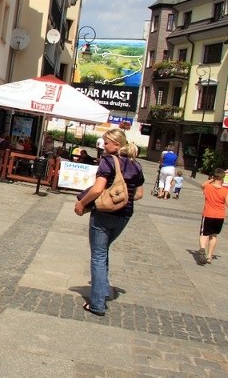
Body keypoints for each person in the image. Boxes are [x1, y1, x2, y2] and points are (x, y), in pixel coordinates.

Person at [73, 129, 145, 316]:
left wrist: (82, 203)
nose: (103, 146)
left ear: (117, 145)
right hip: (125, 216)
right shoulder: (136, 165)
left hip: (104, 215)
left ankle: (97, 303)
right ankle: (103, 289)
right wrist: (121, 200)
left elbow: (97, 190)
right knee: (103, 251)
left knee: (97, 255)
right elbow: (138, 194)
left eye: (106, 143)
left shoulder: (107, 162)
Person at [197, 168, 228, 265]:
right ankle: (209, 256)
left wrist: (212, 179)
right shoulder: (225, 191)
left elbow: (202, 185)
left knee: (204, 234)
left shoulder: (208, 187)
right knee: (213, 235)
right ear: (223, 178)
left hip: (208, 214)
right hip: (219, 216)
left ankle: (202, 249)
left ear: (213, 177)